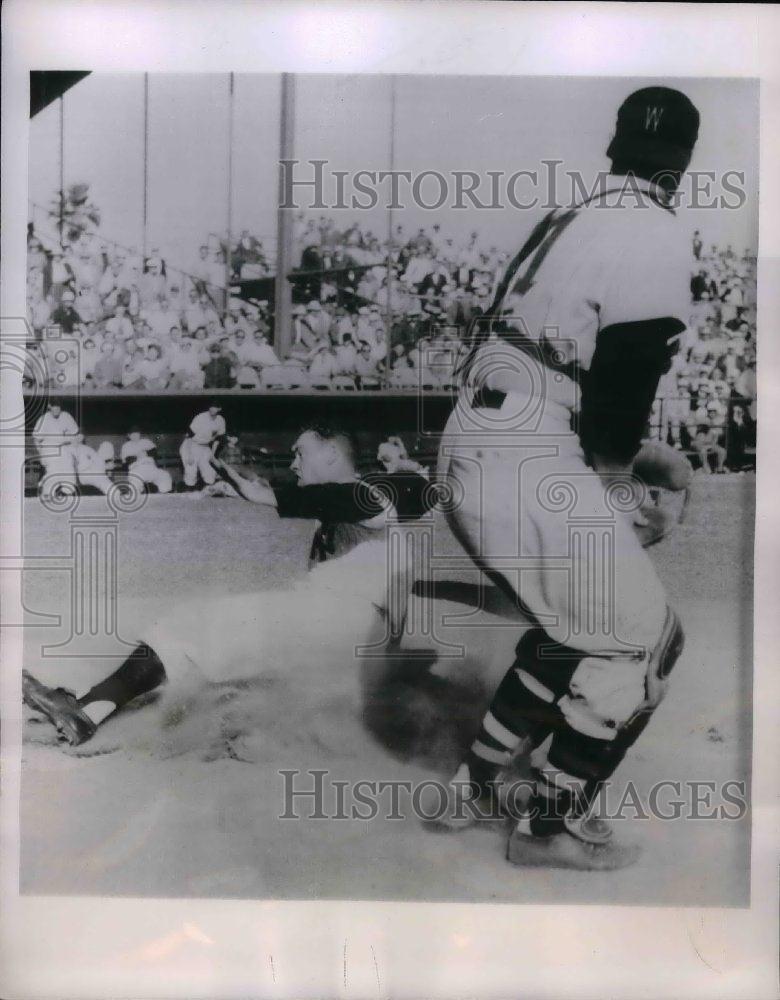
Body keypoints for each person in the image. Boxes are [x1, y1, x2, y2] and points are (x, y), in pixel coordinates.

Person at [431, 87, 698, 871]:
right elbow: (627, 367)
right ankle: (550, 824)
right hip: (529, 449)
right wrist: (615, 480)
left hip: (484, 433)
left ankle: (473, 787)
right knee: (647, 639)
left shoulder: (570, 218)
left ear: (614, 149)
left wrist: (639, 460)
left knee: (574, 627)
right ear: (681, 169)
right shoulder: (654, 227)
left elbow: (556, 368)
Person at [22, 424, 432, 746]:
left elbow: (358, 498)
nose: (293, 461)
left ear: (330, 453)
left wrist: (265, 495)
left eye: (300, 452)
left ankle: (86, 711)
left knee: (187, 625)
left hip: (346, 625)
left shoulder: (369, 493)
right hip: (354, 650)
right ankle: (265, 734)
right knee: (231, 686)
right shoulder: (350, 505)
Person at [32, 400, 80, 495]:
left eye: (58, 406)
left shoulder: (66, 416)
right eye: (54, 406)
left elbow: (76, 434)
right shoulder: (44, 419)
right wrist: (41, 455)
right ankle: (47, 492)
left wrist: (75, 451)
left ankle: (66, 493)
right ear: (49, 406)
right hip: (49, 449)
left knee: (68, 470)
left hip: (65, 449)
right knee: (53, 471)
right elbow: (36, 439)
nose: (56, 409)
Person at [181, 404, 226, 488]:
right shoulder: (201, 417)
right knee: (191, 471)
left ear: (219, 408)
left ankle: (207, 495)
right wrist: (189, 454)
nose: (212, 409)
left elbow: (218, 439)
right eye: (211, 406)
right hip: (191, 445)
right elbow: (189, 436)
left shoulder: (221, 420)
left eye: (215, 407)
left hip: (205, 447)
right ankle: (189, 492)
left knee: (210, 473)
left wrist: (212, 455)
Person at [120, 428, 173, 494]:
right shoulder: (126, 446)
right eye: (133, 434)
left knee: (165, 475)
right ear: (129, 435)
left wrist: (146, 453)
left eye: (137, 433)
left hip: (151, 467)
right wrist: (137, 456)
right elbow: (125, 463)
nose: (136, 436)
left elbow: (155, 454)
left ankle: (165, 496)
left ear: (140, 434)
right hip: (137, 469)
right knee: (134, 485)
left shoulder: (146, 442)